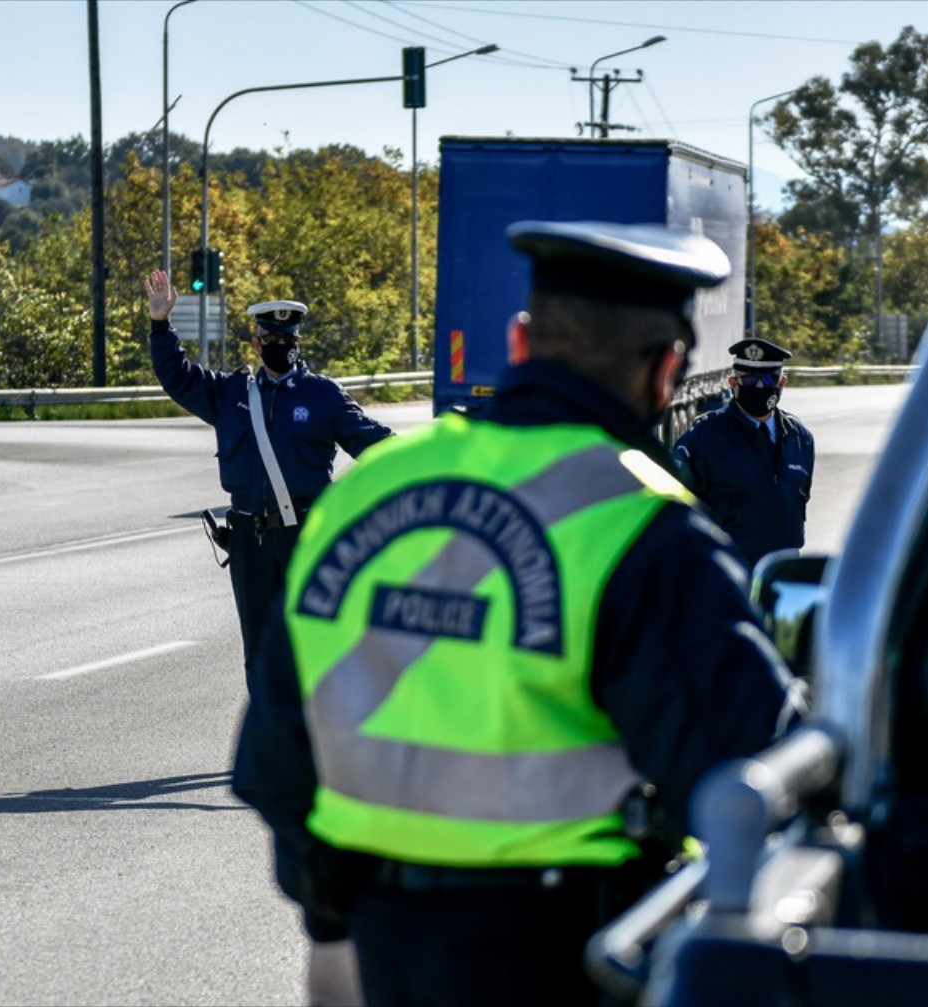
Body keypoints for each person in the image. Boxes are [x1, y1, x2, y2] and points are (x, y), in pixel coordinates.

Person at [231, 222, 807, 1007]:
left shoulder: (370, 488)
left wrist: (336, 922)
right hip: (565, 955)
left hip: (379, 946)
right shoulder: (644, 525)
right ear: (668, 370)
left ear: (519, 341)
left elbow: (271, 758)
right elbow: (751, 774)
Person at [143, 271, 393, 672]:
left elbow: (378, 446)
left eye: (287, 339)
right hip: (249, 543)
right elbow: (177, 376)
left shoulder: (322, 396)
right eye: (270, 338)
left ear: (299, 341)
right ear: (256, 342)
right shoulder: (231, 394)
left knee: (311, 650)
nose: (279, 345)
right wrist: (160, 324)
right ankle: (267, 713)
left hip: (306, 537)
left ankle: (312, 714)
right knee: (260, 655)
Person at [673, 337, 816, 565]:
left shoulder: (800, 438)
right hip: (726, 571)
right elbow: (675, 508)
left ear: (782, 383)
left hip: (780, 572)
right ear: (733, 383)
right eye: (749, 379)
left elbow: (800, 501)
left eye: (769, 379)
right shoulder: (705, 437)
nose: (759, 387)